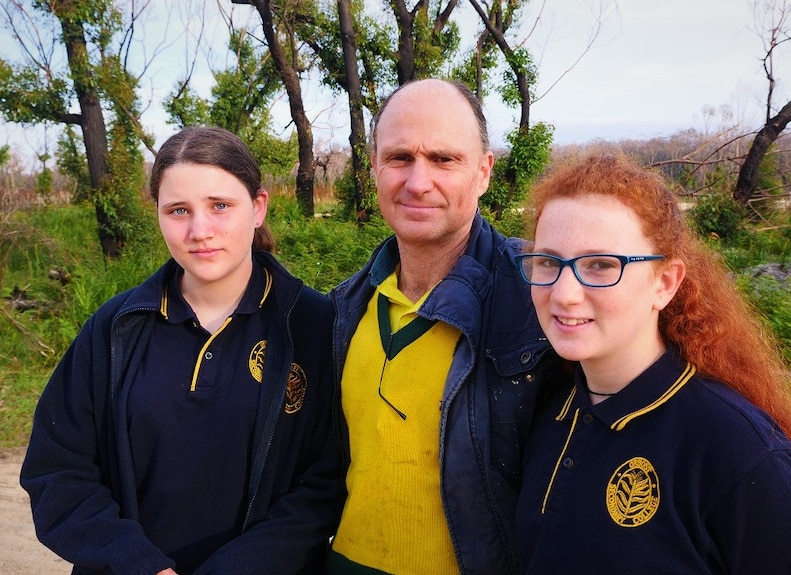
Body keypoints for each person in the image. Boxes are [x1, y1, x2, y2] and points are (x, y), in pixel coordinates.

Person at [514, 153, 791, 574]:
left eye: (601, 265)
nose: (564, 293)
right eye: (549, 262)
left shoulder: (738, 450)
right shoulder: (546, 407)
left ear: (665, 283)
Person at [20, 126, 343, 575]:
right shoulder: (115, 330)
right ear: (157, 214)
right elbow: (58, 471)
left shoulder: (314, 325)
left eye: (220, 206)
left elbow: (324, 483)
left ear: (258, 207)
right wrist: (139, 565)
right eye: (178, 210)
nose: (199, 230)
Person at [328, 78, 552, 575]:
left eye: (444, 159)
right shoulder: (344, 308)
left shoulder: (540, 293)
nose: (417, 181)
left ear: (484, 171)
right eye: (400, 157)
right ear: (374, 167)